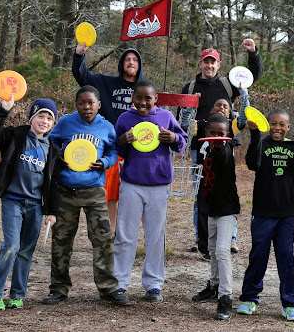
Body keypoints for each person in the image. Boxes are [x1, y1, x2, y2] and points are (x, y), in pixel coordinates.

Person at [236, 102, 294, 322]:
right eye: (273, 123)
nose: (277, 127)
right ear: (267, 125)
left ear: (288, 127)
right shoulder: (262, 145)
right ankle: (249, 298)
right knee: (258, 256)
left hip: (285, 216)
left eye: (281, 124)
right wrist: (254, 134)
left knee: (286, 257)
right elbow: (252, 163)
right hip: (263, 213)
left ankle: (290, 304)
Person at [42, 86, 127, 305]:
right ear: (76, 105)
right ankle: (58, 288)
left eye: (91, 103)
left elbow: (113, 151)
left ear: (98, 105)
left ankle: (108, 288)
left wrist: (105, 163)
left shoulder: (107, 127)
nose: (86, 107)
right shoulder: (65, 123)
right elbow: (49, 141)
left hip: (94, 191)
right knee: (61, 240)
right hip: (65, 190)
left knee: (103, 238)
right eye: (81, 103)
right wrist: (58, 156)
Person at [181, 40, 264, 254]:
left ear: (218, 65)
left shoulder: (229, 84)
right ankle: (202, 238)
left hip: (226, 148)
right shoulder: (190, 88)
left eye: (213, 63)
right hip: (198, 148)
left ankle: (231, 238)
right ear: (200, 64)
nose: (209, 66)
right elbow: (182, 119)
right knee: (200, 192)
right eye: (205, 62)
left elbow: (253, 74)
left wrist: (252, 53)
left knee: (226, 190)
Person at [113, 79, 188, 303]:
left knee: (155, 236)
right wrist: (122, 141)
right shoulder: (125, 119)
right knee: (125, 235)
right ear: (132, 99)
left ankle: (153, 284)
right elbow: (117, 148)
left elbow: (182, 141)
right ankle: (119, 283)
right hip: (131, 184)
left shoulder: (165, 117)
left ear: (156, 99)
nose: (143, 102)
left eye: (148, 98)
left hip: (158, 184)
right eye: (139, 97)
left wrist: (174, 138)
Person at [0, 96, 59, 311]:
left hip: (35, 205)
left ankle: (18, 295)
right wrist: (3, 109)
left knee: (26, 251)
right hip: (13, 201)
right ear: (31, 117)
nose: (44, 121)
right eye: (40, 116)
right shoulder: (16, 135)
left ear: (53, 124)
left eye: (49, 118)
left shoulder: (52, 149)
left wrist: (51, 212)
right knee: (11, 246)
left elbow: (52, 183)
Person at [72, 42, 144, 230]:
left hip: (138, 150)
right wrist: (79, 55)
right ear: (121, 64)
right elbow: (83, 76)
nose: (130, 62)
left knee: (141, 194)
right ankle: (112, 234)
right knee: (111, 194)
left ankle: (147, 238)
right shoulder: (106, 83)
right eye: (127, 59)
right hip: (111, 146)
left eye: (134, 59)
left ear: (140, 65)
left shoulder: (145, 90)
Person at [189, 86, 249, 260]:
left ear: (230, 114)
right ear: (210, 110)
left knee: (224, 210)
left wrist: (244, 94)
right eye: (218, 105)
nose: (221, 107)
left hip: (224, 179)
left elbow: (244, 117)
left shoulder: (231, 127)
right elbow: (186, 123)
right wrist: (190, 106)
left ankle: (227, 240)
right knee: (202, 209)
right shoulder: (202, 125)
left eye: (225, 106)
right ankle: (204, 245)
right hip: (204, 177)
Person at [191, 114, 240, 320]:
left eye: (222, 134)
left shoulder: (225, 151)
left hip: (227, 211)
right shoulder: (208, 153)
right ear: (206, 134)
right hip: (211, 210)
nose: (217, 138)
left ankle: (225, 297)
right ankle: (214, 285)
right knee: (212, 249)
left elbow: (226, 152)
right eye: (213, 134)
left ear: (227, 136)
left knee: (222, 250)